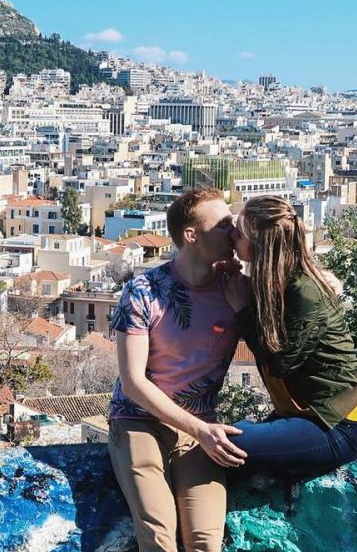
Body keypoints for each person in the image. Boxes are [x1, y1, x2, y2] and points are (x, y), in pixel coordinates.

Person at [109, 188, 247, 552]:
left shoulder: (234, 290)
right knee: (158, 536)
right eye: (224, 225)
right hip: (139, 420)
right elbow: (134, 381)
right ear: (192, 235)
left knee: (205, 540)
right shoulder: (144, 291)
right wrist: (202, 431)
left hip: (200, 423)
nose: (233, 232)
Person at [221, 195, 357, 473]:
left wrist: (242, 310)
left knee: (226, 443)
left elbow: (280, 362)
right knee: (228, 437)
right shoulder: (277, 281)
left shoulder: (303, 291)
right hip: (306, 411)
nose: (232, 236)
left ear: (261, 245)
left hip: (340, 422)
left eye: (239, 233)